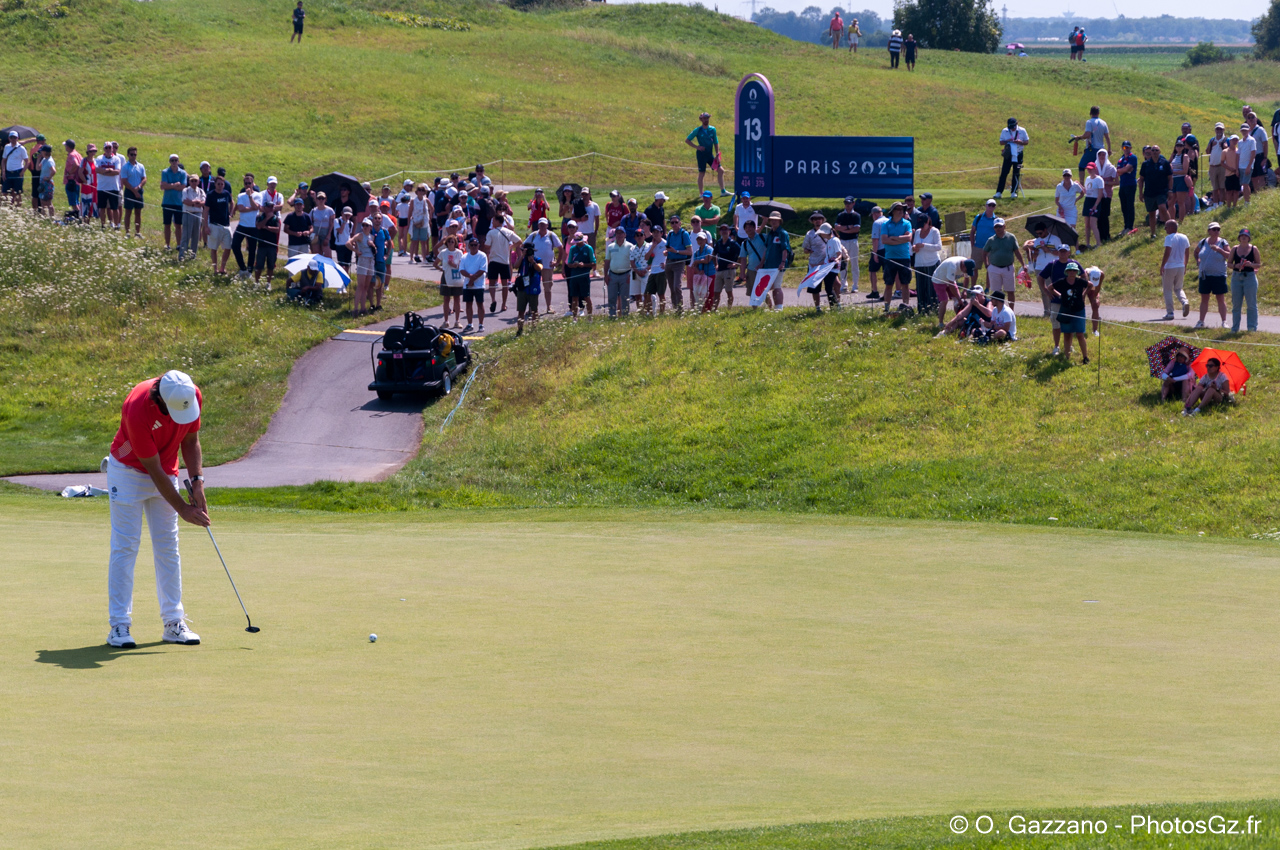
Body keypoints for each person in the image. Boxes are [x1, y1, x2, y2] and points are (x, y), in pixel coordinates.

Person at [104, 370, 208, 649]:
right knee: (126, 546)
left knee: (167, 546)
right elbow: (152, 469)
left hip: (166, 471)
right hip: (128, 472)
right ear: (160, 401)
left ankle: (174, 622)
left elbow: (190, 440)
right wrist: (183, 510)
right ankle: (119, 626)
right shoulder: (136, 406)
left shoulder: (190, 394)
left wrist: (197, 482)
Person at [1038, 244, 1074, 354]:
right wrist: (1046, 291)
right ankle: (1057, 346)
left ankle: (1069, 345)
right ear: (1057, 253)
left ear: (1069, 252)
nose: (1062, 253)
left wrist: (1080, 292)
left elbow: (1083, 276)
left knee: (1069, 323)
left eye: (1065, 251)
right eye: (1060, 251)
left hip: (1070, 300)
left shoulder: (1073, 264)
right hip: (1055, 299)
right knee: (1056, 323)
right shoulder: (1052, 264)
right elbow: (1040, 277)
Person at [982, 217, 1026, 306]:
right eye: (996, 227)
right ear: (994, 228)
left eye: (1000, 226)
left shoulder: (1011, 237)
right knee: (996, 292)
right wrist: (987, 265)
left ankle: (1011, 312)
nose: (998, 229)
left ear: (1004, 226)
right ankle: (996, 312)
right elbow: (984, 252)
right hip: (994, 268)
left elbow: (1017, 252)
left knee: (1010, 290)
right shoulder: (991, 240)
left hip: (1008, 268)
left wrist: (1023, 264)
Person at [1194, 222, 1230, 329]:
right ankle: (1201, 321)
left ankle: (1224, 322)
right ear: (1209, 231)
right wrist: (1198, 260)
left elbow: (1230, 255)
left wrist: (1219, 250)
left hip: (1219, 275)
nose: (1216, 231)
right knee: (1204, 299)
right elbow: (1196, 252)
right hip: (1205, 275)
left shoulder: (1223, 242)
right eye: (1214, 229)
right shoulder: (1203, 242)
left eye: (1218, 229)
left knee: (1220, 299)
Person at [523, 217, 563, 315]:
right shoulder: (533, 235)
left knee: (548, 287)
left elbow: (561, 248)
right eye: (540, 224)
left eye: (544, 224)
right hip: (534, 265)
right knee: (532, 287)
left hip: (547, 266)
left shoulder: (551, 235)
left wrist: (557, 262)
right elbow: (524, 246)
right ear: (538, 225)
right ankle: (532, 308)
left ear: (547, 225)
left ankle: (548, 307)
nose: (542, 226)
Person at [1053, 263, 1090, 363]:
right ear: (1067, 272)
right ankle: (1067, 357)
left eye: (1074, 271)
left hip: (1079, 310)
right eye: (1070, 270)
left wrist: (1084, 294)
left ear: (1077, 272)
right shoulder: (1062, 282)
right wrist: (1059, 295)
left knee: (1079, 334)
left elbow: (1090, 285)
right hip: (1066, 310)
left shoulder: (1080, 281)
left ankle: (1085, 357)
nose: (1072, 272)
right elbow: (1050, 288)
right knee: (1067, 334)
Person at [880, 203, 913, 312]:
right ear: (892, 211)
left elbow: (908, 238)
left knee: (905, 284)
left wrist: (893, 238)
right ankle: (886, 308)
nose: (901, 211)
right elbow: (884, 240)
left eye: (902, 209)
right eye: (898, 209)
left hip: (904, 257)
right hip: (890, 257)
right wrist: (900, 239)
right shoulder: (886, 224)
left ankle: (905, 307)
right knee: (889, 284)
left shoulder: (907, 223)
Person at [929, 256, 976, 330]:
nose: (967, 272)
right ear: (963, 266)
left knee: (957, 301)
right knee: (944, 300)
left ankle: (958, 320)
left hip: (950, 280)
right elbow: (951, 285)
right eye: (967, 271)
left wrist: (964, 291)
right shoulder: (952, 265)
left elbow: (966, 279)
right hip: (939, 280)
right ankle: (940, 323)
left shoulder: (967, 264)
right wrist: (959, 298)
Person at [484, 217, 520, 314]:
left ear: (498, 221)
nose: (492, 222)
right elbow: (519, 241)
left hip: (494, 261)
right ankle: (503, 304)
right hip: (505, 261)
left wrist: (492, 246)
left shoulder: (491, 233)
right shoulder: (508, 232)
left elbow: (486, 246)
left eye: (493, 220)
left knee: (492, 283)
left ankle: (493, 300)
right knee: (505, 284)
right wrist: (511, 247)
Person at [686, 112, 726, 196]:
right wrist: (697, 147)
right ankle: (701, 193)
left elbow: (715, 142)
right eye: (704, 118)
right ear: (701, 120)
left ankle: (723, 191)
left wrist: (717, 153)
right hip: (701, 155)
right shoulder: (698, 130)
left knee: (721, 170)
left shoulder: (712, 129)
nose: (706, 120)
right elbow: (687, 140)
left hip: (709, 154)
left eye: (707, 118)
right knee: (702, 173)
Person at [1230, 227, 1261, 332]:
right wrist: (1236, 265)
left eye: (1246, 236)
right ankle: (1235, 328)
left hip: (1250, 277)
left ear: (1249, 238)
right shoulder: (1234, 248)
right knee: (1236, 305)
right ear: (1239, 238)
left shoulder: (1254, 249)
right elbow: (1229, 264)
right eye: (1242, 236)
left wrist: (1251, 264)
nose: (1244, 238)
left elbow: (1258, 264)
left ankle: (1252, 328)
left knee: (1251, 304)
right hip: (1236, 277)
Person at [1159, 219, 1192, 321]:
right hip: (1180, 266)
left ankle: (1170, 312)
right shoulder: (1184, 237)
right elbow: (1187, 252)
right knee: (1178, 288)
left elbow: (1167, 252)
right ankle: (1184, 301)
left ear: (1171, 227)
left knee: (1167, 289)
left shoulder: (1169, 238)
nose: (1165, 229)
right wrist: (1185, 265)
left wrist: (1162, 265)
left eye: (1166, 227)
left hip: (1170, 266)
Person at [1028, 221, 1063, 317]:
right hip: (1039, 267)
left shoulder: (1055, 239)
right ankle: (1046, 312)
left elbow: (1060, 253)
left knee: (1052, 289)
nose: (1039, 235)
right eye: (1037, 234)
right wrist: (1035, 253)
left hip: (1052, 267)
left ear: (1045, 230)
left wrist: (1049, 250)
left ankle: (1054, 311)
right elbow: (1035, 257)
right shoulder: (1037, 241)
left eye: (1040, 233)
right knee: (1044, 291)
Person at [761, 212, 793, 310]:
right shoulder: (770, 233)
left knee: (777, 286)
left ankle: (779, 308)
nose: (774, 221)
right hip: (768, 264)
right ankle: (771, 307)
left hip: (778, 265)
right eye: (772, 219)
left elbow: (785, 249)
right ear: (769, 221)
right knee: (764, 287)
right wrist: (761, 263)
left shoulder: (782, 233)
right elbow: (766, 249)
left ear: (780, 221)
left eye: (776, 220)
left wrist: (783, 262)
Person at [911, 215, 942, 315]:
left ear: (928, 222)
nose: (921, 227)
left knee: (931, 288)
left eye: (922, 224)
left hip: (932, 263)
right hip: (919, 263)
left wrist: (924, 245)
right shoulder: (918, 232)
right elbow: (913, 246)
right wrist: (914, 248)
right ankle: (921, 310)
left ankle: (933, 310)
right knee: (920, 288)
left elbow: (938, 246)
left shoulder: (934, 231)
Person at [1138, 145, 1172, 238]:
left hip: (1162, 191)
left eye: (1156, 150)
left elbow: (1170, 178)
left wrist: (1170, 190)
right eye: (1152, 150)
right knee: (1152, 213)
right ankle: (1153, 233)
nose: (1154, 152)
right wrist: (1140, 193)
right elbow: (1141, 180)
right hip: (1149, 192)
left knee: (1162, 207)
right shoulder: (1145, 164)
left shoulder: (1164, 163)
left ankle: (1171, 230)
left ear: (1159, 152)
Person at [205, 173, 234, 274]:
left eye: (222, 184)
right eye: (218, 184)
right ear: (215, 184)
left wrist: (231, 213)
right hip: (214, 225)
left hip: (226, 225)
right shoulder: (210, 195)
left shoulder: (226, 193)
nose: (220, 186)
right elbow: (206, 211)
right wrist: (206, 226)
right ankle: (215, 269)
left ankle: (222, 267)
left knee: (228, 247)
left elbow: (232, 202)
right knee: (214, 248)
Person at [662, 214, 692, 313]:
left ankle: (680, 309)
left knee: (676, 286)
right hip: (669, 262)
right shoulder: (670, 234)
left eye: (676, 222)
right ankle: (675, 309)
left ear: (680, 223)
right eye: (672, 222)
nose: (674, 224)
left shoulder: (684, 234)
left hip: (679, 262)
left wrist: (677, 251)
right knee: (671, 287)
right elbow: (668, 248)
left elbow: (689, 251)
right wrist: (667, 252)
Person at [458, 236, 489, 332]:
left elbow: (482, 270)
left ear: (478, 245)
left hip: (479, 285)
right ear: (468, 246)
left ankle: (481, 324)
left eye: (475, 245)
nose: (474, 247)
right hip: (467, 285)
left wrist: (472, 279)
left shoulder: (482, 255)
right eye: (472, 245)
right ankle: (470, 324)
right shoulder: (464, 256)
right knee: (468, 305)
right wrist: (470, 277)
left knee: (480, 304)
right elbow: (461, 270)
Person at [433, 234, 464, 328]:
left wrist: (453, 265)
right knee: (446, 299)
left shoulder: (459, 253)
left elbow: (462, 265)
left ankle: (457, 321)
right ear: (447, 243)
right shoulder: (443, 252)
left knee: (457, 299)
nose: (451, 243)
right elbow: (435, 263)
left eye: (452, 241)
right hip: (446, 277)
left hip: (456, 277)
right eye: (449, 241)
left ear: (455, 243)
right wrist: (441, 269)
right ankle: (446, 321)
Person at [157, 155, 187, 250]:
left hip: (178, 203)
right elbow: (163, 186)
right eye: (172, 160)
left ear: (178, 161)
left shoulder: (183, 173)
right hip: (167, 202)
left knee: (178, 225)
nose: (174, 162)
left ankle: (179, 245)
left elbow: (182, 187)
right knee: (167, 225)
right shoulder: (165, 172)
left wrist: (169, 185)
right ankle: (167, 244)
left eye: (176, 160)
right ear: (170, 161)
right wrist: (175, 185)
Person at [564, 232, 596, 321]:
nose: (577, 243)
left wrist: (584, 265)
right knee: (574, 296)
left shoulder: (588, 248)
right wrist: (573, 265)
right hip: (574, 275)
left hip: (584, 275)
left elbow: (593, 263)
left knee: (586, 296)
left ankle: (589, 317)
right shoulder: (573, 249)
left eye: (579, 241)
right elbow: (569, 263)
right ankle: (574, 317)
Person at [710, 223, 742, 310]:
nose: (724, 231)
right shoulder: (719, 243)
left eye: (725, 230)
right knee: (716, 292)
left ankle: (729, 309)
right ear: (720, 232)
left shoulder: (733, 243)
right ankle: (714, 309)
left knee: (728, 291)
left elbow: (742, 255)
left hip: (729, 270)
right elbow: (714, 254)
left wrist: (735, 264)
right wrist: (716, 264)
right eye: (722, 230)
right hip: (719, 270)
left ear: (729, 231)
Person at [513, 244, 542, 336]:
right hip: (523, 288)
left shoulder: (537, 259)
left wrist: (533, 262)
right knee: (521, 310)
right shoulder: (522, 259)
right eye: (525, 251)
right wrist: (522, 256)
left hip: (533, 287)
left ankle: (534, 329)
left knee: (534, 310)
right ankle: (520, 329)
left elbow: (539, 268)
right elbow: (515, 266)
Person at [604, 226, 633, 317]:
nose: (619, 235)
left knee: (625, 298)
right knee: (612, 297)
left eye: (621, 233)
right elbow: (607, 261)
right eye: (617, 233)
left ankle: (625, 316)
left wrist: (630, 275)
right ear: (615, 235)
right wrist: (605, 275)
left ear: (625, 234)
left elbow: (633, 262)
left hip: (626, 275)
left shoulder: (630, 246)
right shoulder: (610, 246)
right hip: (612, 275)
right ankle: (612, 316)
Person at [996, 118, 1029, 199]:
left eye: (1013, 127)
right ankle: (999, 192)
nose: (1012, 128)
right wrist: (1007, 140)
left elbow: (1026, 142)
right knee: (1004, 173)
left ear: (1016, 123)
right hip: (1009, 155)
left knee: (1016, 173)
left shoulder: (1022, 130)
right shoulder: (1005, 130)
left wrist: (1020, 142)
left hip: (1019, 154)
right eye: (1011, 127)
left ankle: (1014, 192)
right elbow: (1001, 142)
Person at [737, 218, 767, 305]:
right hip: (751, 270)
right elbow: (743, 259)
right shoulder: (745, 243)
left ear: (755, 228)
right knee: (752, 291)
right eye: (746, 227)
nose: (748, 229)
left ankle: (770, 308)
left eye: (750, 227)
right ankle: (754, 309)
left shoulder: (763, 237)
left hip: (764, 268)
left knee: (764, 290)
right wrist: (742, 273)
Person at [1076, 106, 1110, 182]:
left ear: (1090, 113)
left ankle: (1082, 185)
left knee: (1082, 166)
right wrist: (1109, 149)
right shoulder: (1104, 123)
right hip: (1101, 149)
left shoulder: (1089, 122)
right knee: (1099, 168)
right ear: (1098, 113)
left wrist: (1079, 137)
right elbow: (1107, 137)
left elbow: (1087, 135)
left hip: (1092, 149)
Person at [834, 196, 860, 294]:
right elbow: (836, 227)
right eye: (846, 203)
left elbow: (856, 229)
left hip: (853, 241)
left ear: (853, 203)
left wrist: (843, 228)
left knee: (854, 263)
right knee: (843, 264)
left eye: (849, 203)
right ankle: (844, 285)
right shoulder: (840, 215)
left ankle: (855, 285)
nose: (847, 205)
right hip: (843, 241)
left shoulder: (856, 215)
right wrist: (849, 227)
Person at [117, 146, 145, 235]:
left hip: (139, 191)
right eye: (132, 154)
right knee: (128, 212)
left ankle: (137, 232)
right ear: (128, 155)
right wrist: (134, 191)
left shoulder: (141, 166)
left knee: (138, 212)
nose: (133, 156)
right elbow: (124, 180)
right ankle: (127, 232)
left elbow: (144, 178)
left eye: (135, 154)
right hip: (129, 191)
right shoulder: (125, 167)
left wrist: (139, 187)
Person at [95, 141, 124, 230]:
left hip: (113, 187)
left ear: (112, 149)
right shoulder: (99, 158)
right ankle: (103, 225)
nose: (108, 149)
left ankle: (116, 226)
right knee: (102, 207)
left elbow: (117, 172)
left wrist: (104, 171)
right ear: (104, 149)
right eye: (106, 148)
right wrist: (108, 171)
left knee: (115, 208)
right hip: (102, 187)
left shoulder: (116, 159)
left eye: (109, 148)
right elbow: (96, 169)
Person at [254, 200, 282, 288]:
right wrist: (266, 219)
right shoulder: (260, 217)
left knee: (271, 266)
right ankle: (256, 283)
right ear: (264, 208)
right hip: (261, 245)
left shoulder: (276, 218)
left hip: (272, 245)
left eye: (272, 207)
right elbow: (258, 226)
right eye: (269, 207)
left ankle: (268, 283)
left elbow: (277, 229)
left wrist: (266, 227)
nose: (271, 208)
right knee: (259, 266)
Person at [178, 174, 204, 261]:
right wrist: (195, 202)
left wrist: (192, 202)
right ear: (189, 182)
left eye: (195, 181)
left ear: (198, 182)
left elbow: (203, 203)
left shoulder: (201, 191)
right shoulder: (186, 190)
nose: (193, 182)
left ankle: (192, 256)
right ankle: (182, 256)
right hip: (188, 214)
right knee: (186, 236)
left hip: (198, 214)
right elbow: (185, 201)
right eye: (192, 181)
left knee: (196, 236)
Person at [1115, 141, 1138, 235]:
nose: (1126, 149)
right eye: (1124, 147)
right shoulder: (1120, 159)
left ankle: (1130, 226)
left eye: (1127, 147)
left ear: (1130, 148)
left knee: (1129, 205)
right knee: (1124, 207)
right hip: (1123, 184)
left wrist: (1123, 170)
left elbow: (1126, 169)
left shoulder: (1132, 157)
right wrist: (1123, 171)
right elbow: (1119, 171)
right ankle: (1125, 226)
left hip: (1130, 184)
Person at [1094, 148, 1117, 242]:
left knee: (1105, 215)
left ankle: (1106, 236)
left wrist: (1105, 182)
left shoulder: (1111, 168)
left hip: (1107, 195)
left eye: (1103, 155)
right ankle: (1100, 237)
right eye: (1100, 155)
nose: (1102, 157)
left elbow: (1117, 182)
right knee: (1098, 216)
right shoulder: (1095, 167)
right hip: (1097, 195)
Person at [1080, 162, 1104, 250]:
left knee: (1093, 223)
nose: (1089, 170)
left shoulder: (1099, 179)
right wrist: (1080, 186)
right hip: (1088, 200)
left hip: (1095, 201)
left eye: (1091, 169)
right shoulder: (1087, 178)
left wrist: (1096, 205)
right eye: (1088, 169)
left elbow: (1100, 194)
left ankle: (1098, 243)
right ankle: (1088, 243)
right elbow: (1086, 191)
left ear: (1094, 169)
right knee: (1087, 224)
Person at [690, 232, 717, 308]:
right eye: (698, 239)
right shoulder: (696, 252)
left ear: (705, 240)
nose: (700, 241)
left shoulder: (710, 249)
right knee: (701, 292)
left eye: (701, 239)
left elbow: (707, 260)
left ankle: (709, 309)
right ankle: (702, 309)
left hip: (710, 274)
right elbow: (695, 266)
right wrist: (698, 271)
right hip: (702, 275)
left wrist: (697, 261)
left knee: (710, 293)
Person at [1168, 139, 1193, 223]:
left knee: (1180, 201)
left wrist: (1173, 172)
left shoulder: (1185, 156)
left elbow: (1185, 171)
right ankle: (1172, 220)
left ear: (1183, 147)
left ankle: (1181, 221)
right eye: (1177, 145)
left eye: (1180, 146)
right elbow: (1168, 164)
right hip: (1173, 180)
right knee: (1171, 202)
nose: (1179, 147)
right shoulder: (1174, 156)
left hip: (1181, 180)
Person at [1246, 111, 1269, 195]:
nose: (1251, 119)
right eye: (1249, 118)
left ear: (1256, 119)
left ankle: (1262, 195)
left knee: (1261, 177)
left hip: (1259, 156)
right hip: (1251, 157)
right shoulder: (1247, 132)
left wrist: (1265, 158)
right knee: (1254, 177)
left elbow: (1265, 143)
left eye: (1253, 117)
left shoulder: (1260, 130)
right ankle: (1256, 194)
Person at [2, 130, 27, 206]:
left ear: (17, 138)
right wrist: (3, 172)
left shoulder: (21, 148)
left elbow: (27, 161)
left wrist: (22, 172)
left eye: (14, 137)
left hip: (17, 172)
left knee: (17, 192)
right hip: (8, 172)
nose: (13, 139)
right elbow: (4, 160)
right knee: (4, 192)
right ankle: (6, 207)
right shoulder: (7, 147)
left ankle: (18, 207)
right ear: (9, 138)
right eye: (11, 137)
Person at [1207, 123, 1227, 207]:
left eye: (1220, 129)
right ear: (1215, 130)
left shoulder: (1226, 139)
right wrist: (1211, 145)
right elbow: (1207, 151)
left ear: (1223, 130)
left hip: (1222, 166)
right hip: (1213, 166)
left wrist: (1224, 146)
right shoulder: (1212, 140)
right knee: (1214, 187)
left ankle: (1222, 202)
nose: (1219, 131)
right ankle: (1215, 204)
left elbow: (1230, 151)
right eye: (1217, 129)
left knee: (1222, 186)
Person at [310, 190, 334, 260]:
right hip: (315, 232)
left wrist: (328, 236)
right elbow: (310, 222)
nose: (321, 200)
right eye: (319, 198)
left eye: (322, 198)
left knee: (327, 255)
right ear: (316, 199)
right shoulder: (313, 210)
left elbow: (331, 224)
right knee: (316, 254)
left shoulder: (330, 210)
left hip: (325, 232)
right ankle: (316, 269)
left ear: (325, 199)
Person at [1236, 123, 1257, 204]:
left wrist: (1249, 166)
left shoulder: (1252, 140)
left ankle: (1247, 201)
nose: (1244, 132)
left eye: (1245, 130)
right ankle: (1246, 200)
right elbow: (1238, 155)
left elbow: (1253, 153)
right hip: (1241, 166)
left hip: (1248, 166)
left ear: (1248, 130)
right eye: (1242, 130)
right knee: (1244, 184)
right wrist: (1237, 168)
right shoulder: (1240, 142)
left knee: (1245, 183)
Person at [1082, 265, 1104, 336]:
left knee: (1095, 306)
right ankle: (1081, 329)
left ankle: (1095, 330)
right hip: (1084, 288)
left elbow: (1098, 286)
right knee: (1080, 306)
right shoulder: (1085, 274)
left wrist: (1095, 297)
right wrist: (1082, 297)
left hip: (1093, 289)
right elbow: (1082, 288)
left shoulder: (1101, 274)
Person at [333, 206, 354, 274]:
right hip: (340, 245)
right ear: (342, 213)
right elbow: (340, 231)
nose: (347, 216)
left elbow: (349, 234)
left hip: (348, 245)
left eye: (349, 215)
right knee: (341, 265)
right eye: (346, 215)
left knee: (347, 264)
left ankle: (346, 278)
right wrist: (344, 222)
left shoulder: (351, 223)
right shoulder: (337, 221)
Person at [1222, 135, 1241, 209]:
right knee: (1229, 191)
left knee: (1236, 191)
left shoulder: (1238, 151)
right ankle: (1228, 206)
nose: (1234, 141)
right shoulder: (1225, 151)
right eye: (1233, 140)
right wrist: (1230, 168)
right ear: (1230, 141)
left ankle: (1234, 205)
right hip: (1228, 174)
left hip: (1237, 173)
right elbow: (1222, 162)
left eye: (1236, 140)